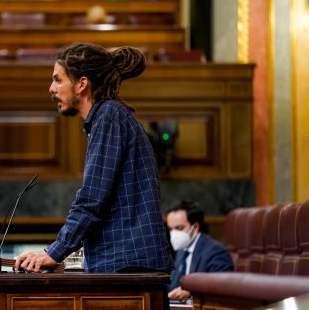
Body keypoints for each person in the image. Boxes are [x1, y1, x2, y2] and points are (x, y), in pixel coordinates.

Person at [14, 42, 175, 274]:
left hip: (129, 268)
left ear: (82, 84)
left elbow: (92, 201)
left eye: (58, 80)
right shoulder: (107, 116)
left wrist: (53, 252)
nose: (51, 88)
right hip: (125, 265)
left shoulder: (109, 115)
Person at [166, 200, 234, 298]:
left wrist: (191, 292)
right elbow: (173, 286)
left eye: (179, 228)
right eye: (171, 229)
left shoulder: (216, 252)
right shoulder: (182, 251)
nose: (174, 234)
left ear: (195, 227)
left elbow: (222, 290)